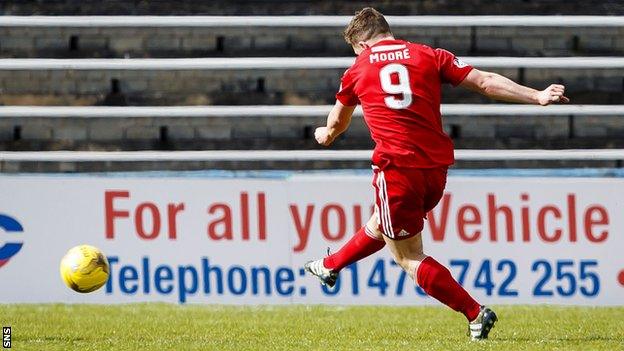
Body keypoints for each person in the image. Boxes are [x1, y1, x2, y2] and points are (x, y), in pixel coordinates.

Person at [304, 7, 569, 341]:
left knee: (407, 255)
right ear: (388, 31)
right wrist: (538, 95)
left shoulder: (358, 69)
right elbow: (485, 82)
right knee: (381, 222)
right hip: (435, 171)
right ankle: (330, 266)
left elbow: (338, 121)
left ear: (360, 45)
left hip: (397, 169)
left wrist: (326, 135)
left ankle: (475, 313)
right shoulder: (428, 55)